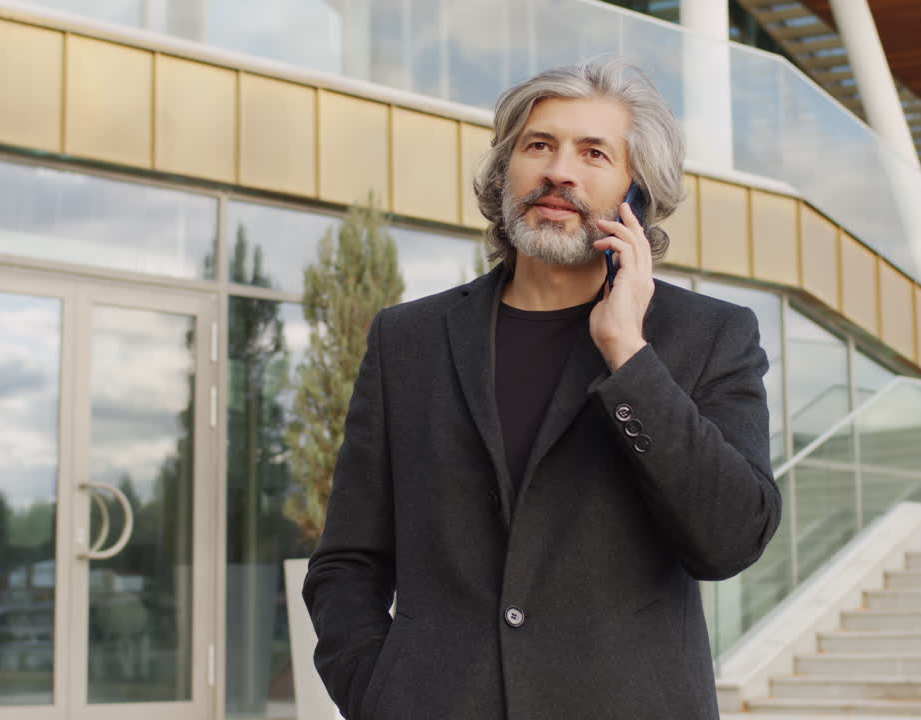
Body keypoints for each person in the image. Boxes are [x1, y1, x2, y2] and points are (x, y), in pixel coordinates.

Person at [302, 57, 781, 720]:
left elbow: (730, 539)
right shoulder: (406, 340)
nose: (560, 170)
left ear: (637, 193)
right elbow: (347, 561)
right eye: (539, 145)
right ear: (506, 172)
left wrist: (630, 357)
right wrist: (378, 691)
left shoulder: (710, 337)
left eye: (594, 152)